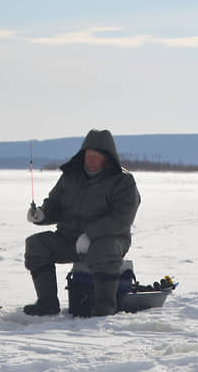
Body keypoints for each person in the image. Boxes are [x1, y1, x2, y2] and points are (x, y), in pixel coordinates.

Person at [24, 129, 141, 316]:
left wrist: (90, 235)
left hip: (109, 239)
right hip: (69, 238)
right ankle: (47, 303)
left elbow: (122, 218)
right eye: (88, 155)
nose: (91, 160)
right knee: (36, 245)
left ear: (107, 158)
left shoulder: (122, 181)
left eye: (96, 156)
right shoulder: (71, 176)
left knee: (104, 251)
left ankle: (105, 306)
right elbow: (55, 203)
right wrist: (42, 214)